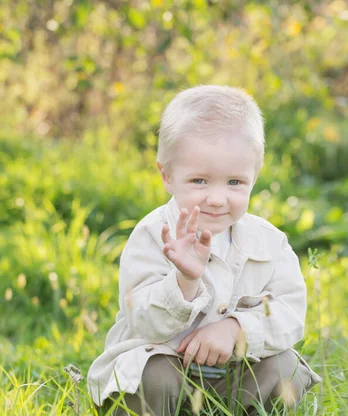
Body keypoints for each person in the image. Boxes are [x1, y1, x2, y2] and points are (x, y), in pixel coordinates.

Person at [87, 85, 321, 415]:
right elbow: (142, 320)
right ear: (167, 176)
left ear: (254, 176)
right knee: (150, 376)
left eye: (234, 183)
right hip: (167, 370)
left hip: (237, 374)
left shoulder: (269, 243)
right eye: (199, 181)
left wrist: (237, 329)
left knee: (287, 370)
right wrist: (184, 280)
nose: (216, 197)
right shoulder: (153, 236)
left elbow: (291, 315)